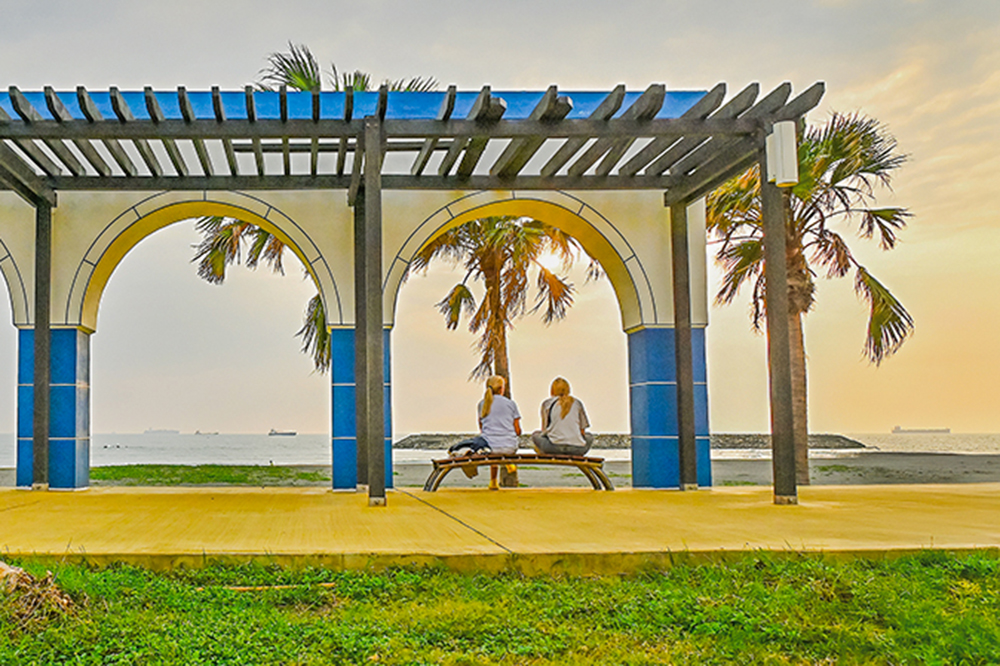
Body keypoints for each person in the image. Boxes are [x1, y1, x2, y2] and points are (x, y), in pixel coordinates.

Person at [477, 375, 522, 490]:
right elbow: (517, 430)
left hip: (490, 447)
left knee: (491, 446)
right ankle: (508, 461)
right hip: (509, 446)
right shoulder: (511, 404)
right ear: (502, 388)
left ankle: (493, 481)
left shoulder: (482, 404)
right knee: (502, 443)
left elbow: (482, 428)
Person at [531, 377, 594, 456]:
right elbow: (582, 431)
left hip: (553, 447)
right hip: (577, 448)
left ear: (552, 390)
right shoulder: (577, 403)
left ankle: (544, 452)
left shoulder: (547, 403)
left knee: (535, 435)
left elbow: (544, 430)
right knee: (589, 437)